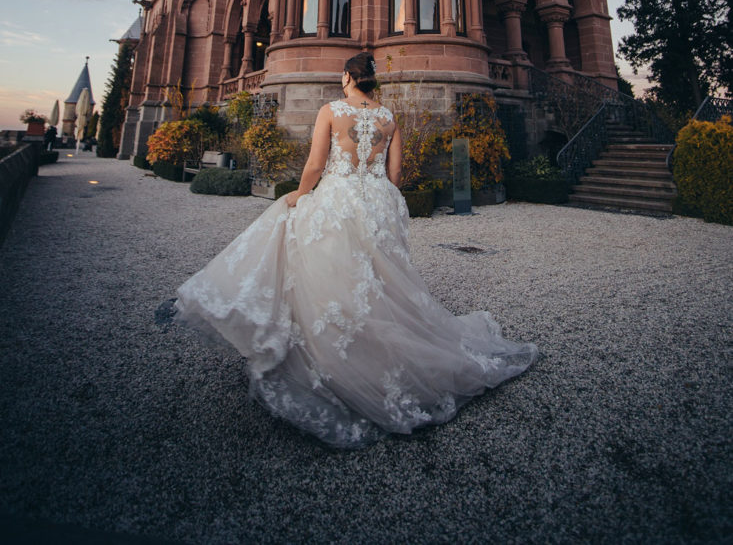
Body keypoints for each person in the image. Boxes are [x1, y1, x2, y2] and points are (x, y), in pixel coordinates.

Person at [174, 52, 537, 448]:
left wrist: (300, 193)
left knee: (323, 265)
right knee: (378, 277)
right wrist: (375, 190)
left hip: (339, 197)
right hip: (378, 200)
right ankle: (375, 348)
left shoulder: (331, 110)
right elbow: (395, 175)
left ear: (348, 77)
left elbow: (315, 164)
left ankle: (328, 350)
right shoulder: (389, 118)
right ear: (373, 81)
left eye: (342, 76)